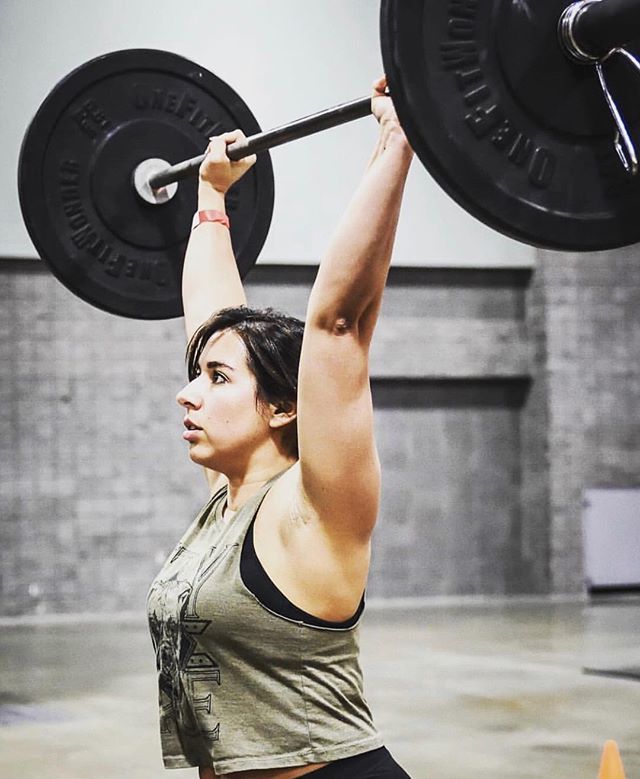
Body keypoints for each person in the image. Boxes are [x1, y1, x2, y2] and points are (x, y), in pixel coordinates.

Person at [147, 77, 414, 779]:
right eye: (198, 375)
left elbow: (339, 323)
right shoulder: (227, 500)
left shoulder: (316, 509)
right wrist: (211, 199)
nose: (187, 393)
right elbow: (212, 318)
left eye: (217, 379)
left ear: (283, 406)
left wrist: (398, 139)